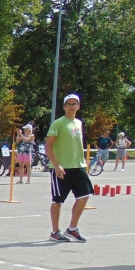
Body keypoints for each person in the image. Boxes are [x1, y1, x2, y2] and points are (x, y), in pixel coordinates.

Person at [47, 93, 93, 243]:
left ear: (78, 106)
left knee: (85, 195)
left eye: (75, 103)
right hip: (62, 168)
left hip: (78, 166)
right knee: (58, 200)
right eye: (69, 103)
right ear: (64, 107)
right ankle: (55, 231)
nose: (72, 106)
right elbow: (49, 145)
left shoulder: (78, 123)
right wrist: (56, 165)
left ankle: (72, 229)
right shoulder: (58, 123)